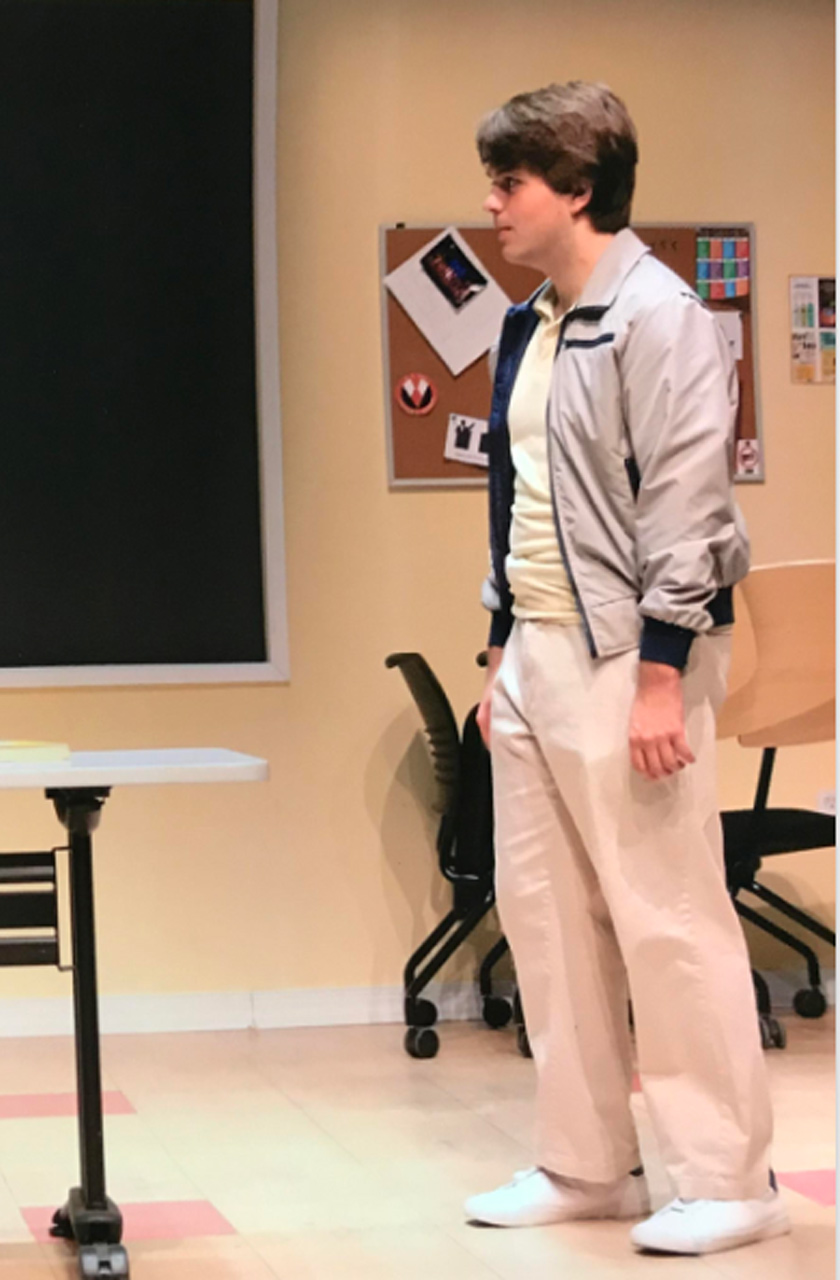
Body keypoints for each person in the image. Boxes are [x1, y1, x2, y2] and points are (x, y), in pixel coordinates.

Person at [459, 83, 785, 1256]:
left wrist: (660, 673)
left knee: (669, 914)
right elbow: (518, 499)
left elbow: (689, 504)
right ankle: (587, 1163)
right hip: (538, 651)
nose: (493, 204)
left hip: (629, 655)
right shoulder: (528, 321)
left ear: (579, 188)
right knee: (545, 917)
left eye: (511, 183)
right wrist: (500, 649)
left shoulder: (663, 317)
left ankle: (729, 1176)